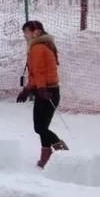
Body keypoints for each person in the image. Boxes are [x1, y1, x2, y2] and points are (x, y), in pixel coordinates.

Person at [17, 20, 67, 167]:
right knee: (42, 127)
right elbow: (37, 73)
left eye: (26, 31)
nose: (25, 35)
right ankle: (46, 157)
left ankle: (63, 151)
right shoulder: (45, 45)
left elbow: (38, 72)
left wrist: (40, 89)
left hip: (46, 91)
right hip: (49, 90)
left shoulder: (37, 48)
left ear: (36, 32)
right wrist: (27, 89)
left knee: (39, 128)